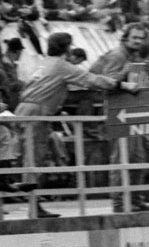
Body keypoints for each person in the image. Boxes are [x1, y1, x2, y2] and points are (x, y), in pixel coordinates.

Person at [16, 32, 138, 218]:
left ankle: (34, 203)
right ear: (66, 48)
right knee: (35, 158)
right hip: (37, 112)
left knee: (31, 156)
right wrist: (123, 86)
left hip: (25, 109)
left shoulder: (45, 62)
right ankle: (34, 204)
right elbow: (92, 80)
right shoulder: (62, 66)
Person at [89, 22, 149, 213]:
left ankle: (135, 198)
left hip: (133, 110)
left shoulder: (136, 57)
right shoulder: (118, 55)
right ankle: (119, 202)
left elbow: (140, 87)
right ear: (125, 37)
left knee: (137, 157)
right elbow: (106, 82)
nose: (138, 41)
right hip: (119, 110)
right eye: (134, 37)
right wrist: (126, 77)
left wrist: (142, 75)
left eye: (141, 38)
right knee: (122, 157)